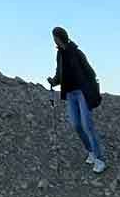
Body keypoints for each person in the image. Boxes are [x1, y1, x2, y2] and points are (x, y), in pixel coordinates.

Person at [46, 27, 107, 172]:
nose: (54, 40)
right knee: (76, 125)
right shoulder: (59, 55)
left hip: (82, 93)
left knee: (87, 125)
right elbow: (59, 73)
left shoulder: (77, 53)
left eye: (55, 37)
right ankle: (90, 151)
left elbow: (90, 72)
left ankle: (100, 159)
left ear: (60, 37)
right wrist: (54, 81)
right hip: (70, 94)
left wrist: (91, 91)